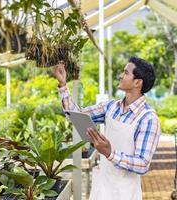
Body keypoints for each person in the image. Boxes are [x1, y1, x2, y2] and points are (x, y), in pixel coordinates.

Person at [53, 57, 161, 200]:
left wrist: (110, 153)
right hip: (102, 187)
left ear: (137, 82)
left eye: (126, 73)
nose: (121, 76)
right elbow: (75, 115)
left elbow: (142, 164)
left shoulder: (148, 119)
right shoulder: (111, 107)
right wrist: (63, 85)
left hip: (125, 192)